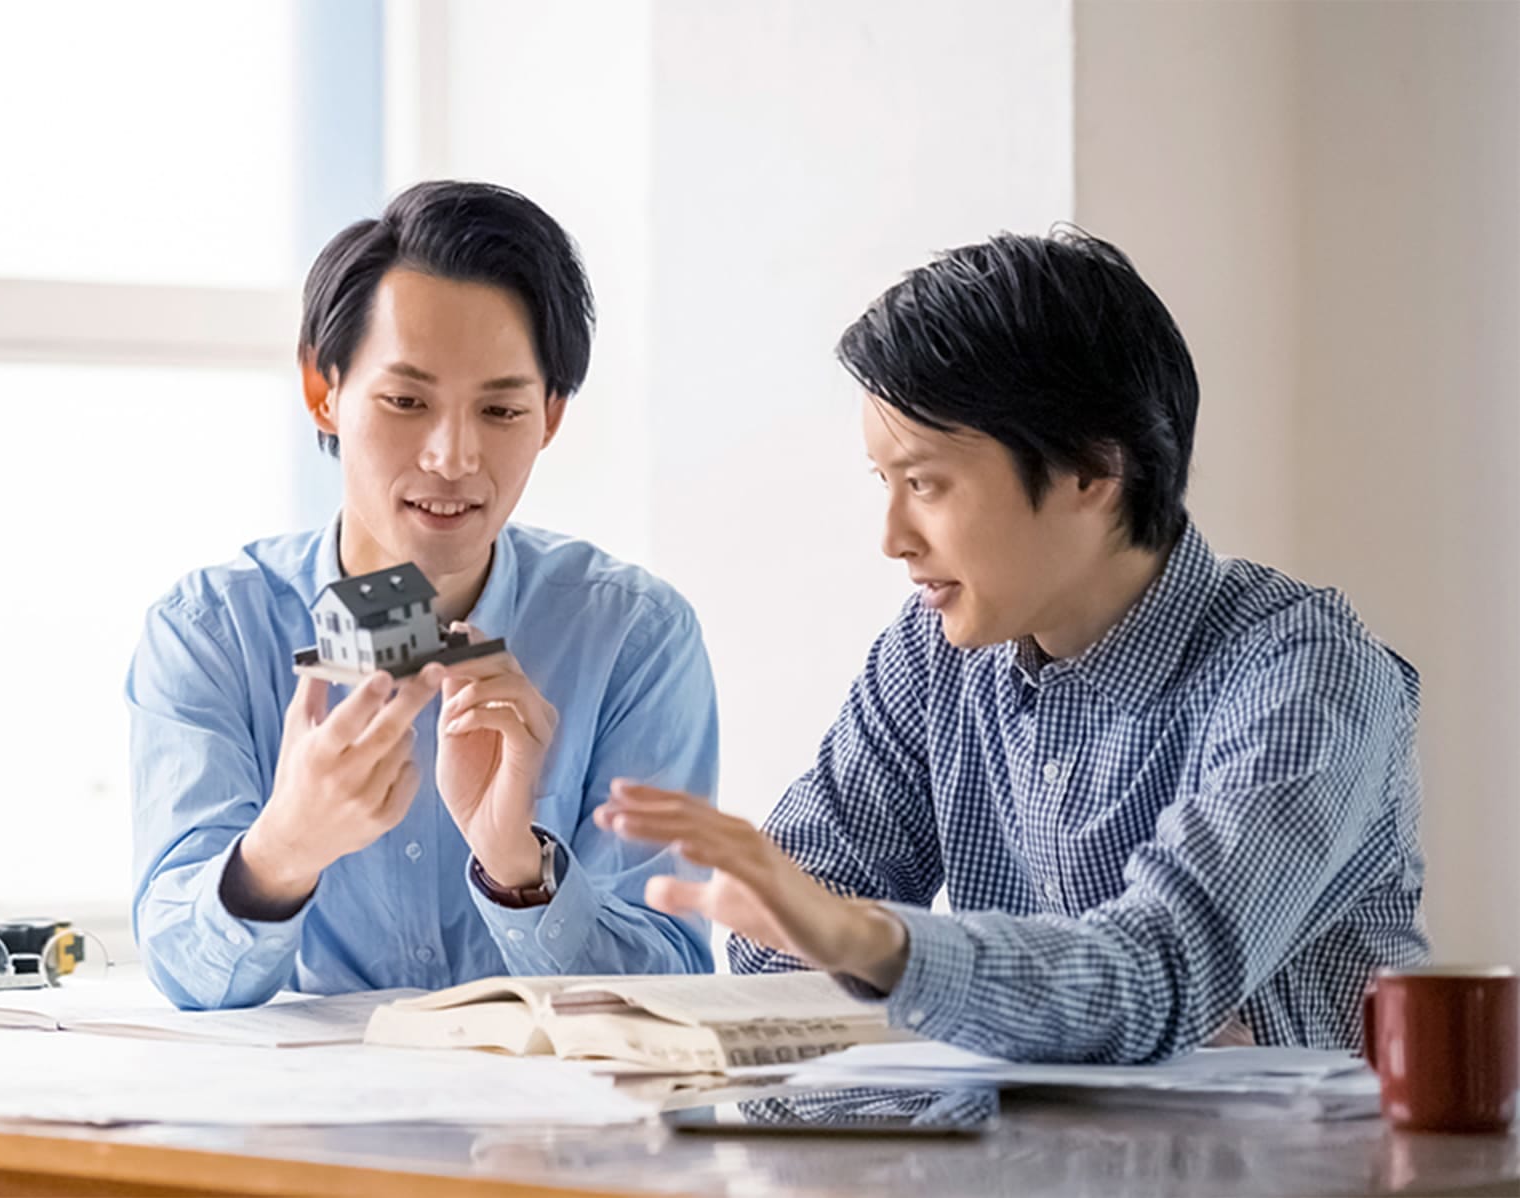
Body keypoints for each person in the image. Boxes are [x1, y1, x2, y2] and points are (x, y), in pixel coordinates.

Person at [601, 228, 1426, 1062]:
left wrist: (882, 946)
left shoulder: (1309, 675)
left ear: (1090, 469)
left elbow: (1154, 980)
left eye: (924, 483)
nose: (892, 538)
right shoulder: (933, 652)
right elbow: (786, 931)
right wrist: (838, 934)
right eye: (882, 483)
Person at [130, 181, 719, 1010]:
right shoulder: (213, 631)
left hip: (553, 1129)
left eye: (501, 409)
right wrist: (282, 849)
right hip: (301, 1125)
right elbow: (183, 970)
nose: (452, 456)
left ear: (551, 415)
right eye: (406, 401)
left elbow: (677, 983)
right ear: (322, 391)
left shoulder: (631, 635)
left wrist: (521, 871)